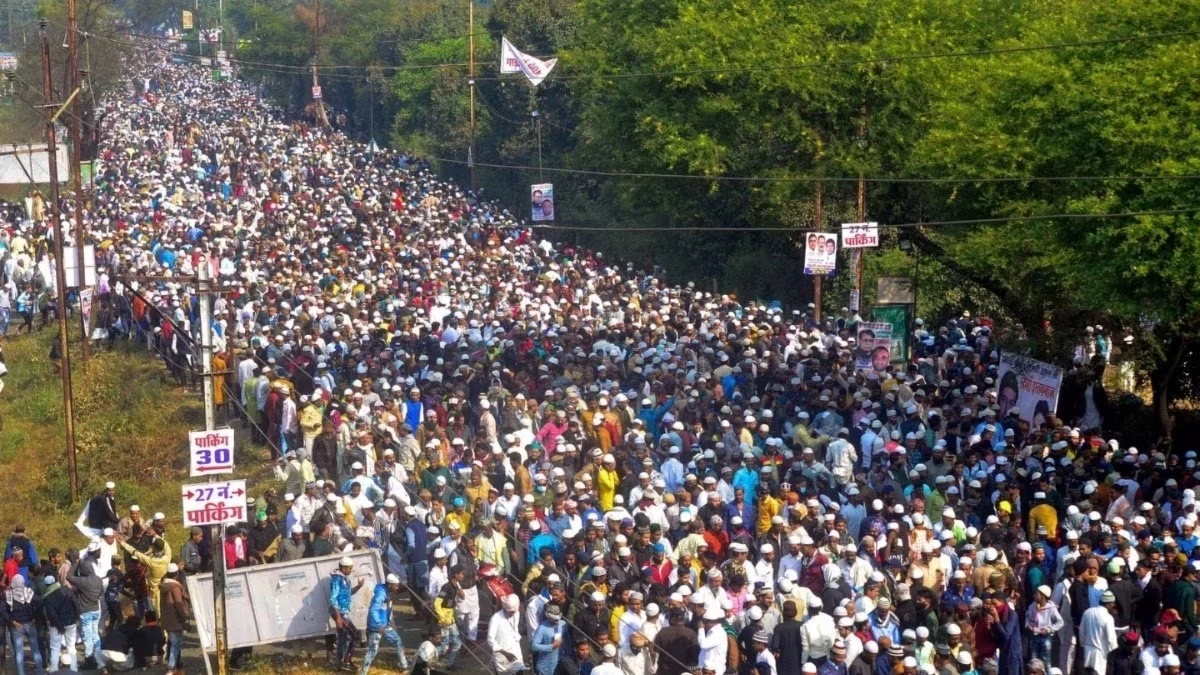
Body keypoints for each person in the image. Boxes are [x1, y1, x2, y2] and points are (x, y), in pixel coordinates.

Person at [361, 574, 409, 675]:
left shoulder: (387, 592)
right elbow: (373, 610)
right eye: (395, 586)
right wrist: (379, 624)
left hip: (385, 625)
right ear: (390, 585)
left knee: (397, 641)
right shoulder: (381, 595)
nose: (397, 588)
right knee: (372, 651)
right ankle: (363, 672)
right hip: (376, 626)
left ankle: (404, 666)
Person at [329, 557, 365, 671]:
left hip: (342, 612)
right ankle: (347, 661)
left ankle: (338, 664)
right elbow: (333, 599)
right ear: (343, 568)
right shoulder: (337, 580)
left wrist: (359, 586)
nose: (351, 570)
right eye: (349, 568)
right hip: (339, 613)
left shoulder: (344, 579)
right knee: (355, 635)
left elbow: (348, 593)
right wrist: (338, 618)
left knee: (342, 639)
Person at [489, 594, 525, 675]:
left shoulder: (517, 614)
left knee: (519, 671)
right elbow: (490, 639)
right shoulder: (496, 619)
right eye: (509, 612)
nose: (511, 614)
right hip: (502, 653)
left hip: (515, 650)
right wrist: (505, 653)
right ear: (504, 608)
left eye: (513, 612)